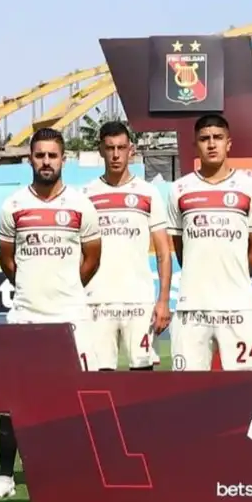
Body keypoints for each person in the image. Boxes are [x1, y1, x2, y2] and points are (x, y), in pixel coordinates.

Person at [0, 128, 102, 501]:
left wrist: (65, 288)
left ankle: (77, 470)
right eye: (39, 156)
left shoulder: (81, 205)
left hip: (71, 314)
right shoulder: (13, 206)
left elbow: (92, 258)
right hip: (25, 314)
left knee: (79, 395)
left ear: (62, 159)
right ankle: (5, 477)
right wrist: (32, 289)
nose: (46, 162)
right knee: (12, 397)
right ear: (30, 158)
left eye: (52, 156)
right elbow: (7, 259)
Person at [166, 114, 252, 371]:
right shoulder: (179, 189)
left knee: (243, 391)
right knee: (186, 393)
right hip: (192, 308)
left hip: (238, 307)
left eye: (218, 138)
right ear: (195, 145)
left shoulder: (250, 188)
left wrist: (237, 278)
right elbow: (180, 249)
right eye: (204, 139)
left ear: (228, 143)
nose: (211, 144)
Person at [81, 121, 172, 371]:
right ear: (100, 150)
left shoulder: (148, 192)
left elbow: (164, 252)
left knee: (143, 379)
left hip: (138, 302)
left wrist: (163, 300)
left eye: (121, 147)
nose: (116, 154)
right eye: (110, 148)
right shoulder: (86, 195)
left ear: (131, 149)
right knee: (99, 382)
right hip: (97, 302)